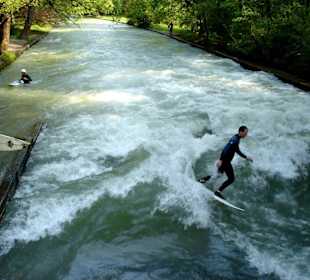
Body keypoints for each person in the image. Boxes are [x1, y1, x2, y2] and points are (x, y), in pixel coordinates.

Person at [199, 126, 253, 199]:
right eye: (245, 133)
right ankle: (218, 192)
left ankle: (202, 180)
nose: (246, 135)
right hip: (225, 161)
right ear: (241, 132)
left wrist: (246, 157)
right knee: (231, 179)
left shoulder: (236, 138)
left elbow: (236, 150)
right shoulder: (235, 140)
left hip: (225, 161)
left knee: (218, 175)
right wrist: (221, 160)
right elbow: (225, 149)